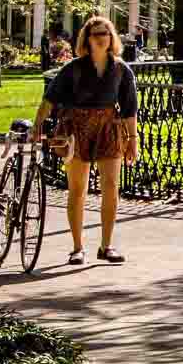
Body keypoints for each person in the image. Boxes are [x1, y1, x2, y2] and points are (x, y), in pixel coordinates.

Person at [33, 13, 140, 265]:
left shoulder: (121, 70)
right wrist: (38, 125)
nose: (102, 38)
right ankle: (77, 247)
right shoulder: (74, 68)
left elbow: (129, 108)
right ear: (87, 39)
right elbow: (49, 99)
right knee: (77, 189)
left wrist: (132, 139)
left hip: (108, 130)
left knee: (111, 188)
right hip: (76, 130)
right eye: (96, 34)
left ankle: (106, 245)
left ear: (112, 37)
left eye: (106, 33)